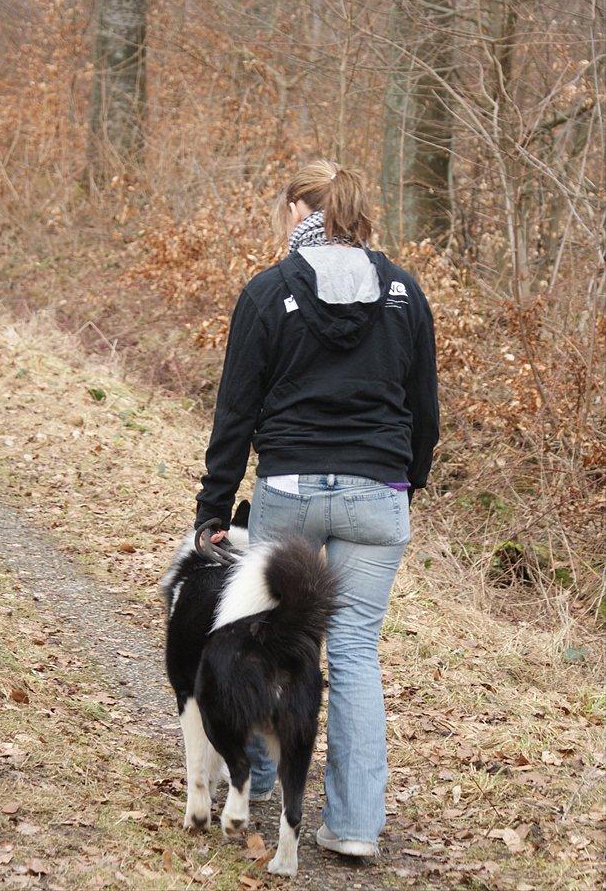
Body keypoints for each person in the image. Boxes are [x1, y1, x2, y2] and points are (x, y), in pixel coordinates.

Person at [194, 159, 439, 856]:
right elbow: (425, 408)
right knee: (356, 651)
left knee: (266, 639)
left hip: (291, 490)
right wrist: (403, 480)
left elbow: (236, 412)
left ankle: (260, 777)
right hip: (377, 493)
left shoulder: (270, 291)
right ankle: (356, 826)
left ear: (301, 210)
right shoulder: (404, 293)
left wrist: (214, 507)